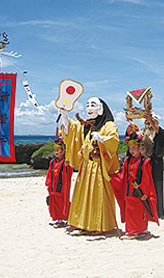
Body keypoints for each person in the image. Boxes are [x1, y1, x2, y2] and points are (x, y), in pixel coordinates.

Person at [60, 97, 120, 233]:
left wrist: (102, 140)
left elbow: (114, 140)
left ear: (101, 108)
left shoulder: (108, 125)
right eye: (87, 105)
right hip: (86, 167)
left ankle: (98, 225)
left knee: (98, 196)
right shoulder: (86, 126)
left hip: (100, 168)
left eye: (93, 105)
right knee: (82, 196)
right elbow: (73, 133)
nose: (89, 108)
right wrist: (65, 117)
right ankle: (82, 224)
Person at [111, 131, 159, 239]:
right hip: (129, 191)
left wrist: (145, 193)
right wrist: (112, 177)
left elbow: (147, 179)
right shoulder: (128, 161)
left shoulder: (145, 161)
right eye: (130, 147)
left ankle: (138, 231)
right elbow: (122, 174)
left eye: (134, 147)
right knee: (130, 210)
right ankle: (133, 230)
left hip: (139, 192)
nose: (131, 150)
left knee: (139, 211)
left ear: (141, 148)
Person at [143, 111, 164, 218]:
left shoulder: (160, 133)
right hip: (146, 162)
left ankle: (157, 211)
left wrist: (151, 121)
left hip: (156, 163)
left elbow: (160, 133)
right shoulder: (145, 133)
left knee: (156, 187)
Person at [45, 138, 73, 228]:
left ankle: (68, 218)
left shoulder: (66, 161)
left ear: (63, 150)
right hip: (53, 186)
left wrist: (67, 167)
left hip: (61, 185)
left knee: (63, 202)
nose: (56, 152)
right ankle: (58, 219)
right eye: (55, 150)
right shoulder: (52, 162)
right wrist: (48, 183)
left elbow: (69, 172)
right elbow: (49, 173)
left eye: (58, 150)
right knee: (54, 202)